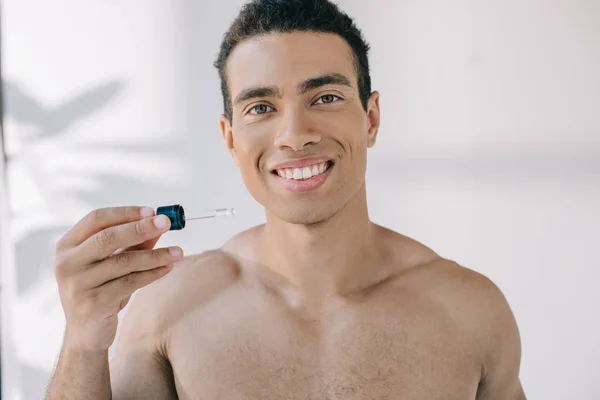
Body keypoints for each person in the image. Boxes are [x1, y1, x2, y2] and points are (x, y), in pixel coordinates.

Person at [46, 0, 526, 398]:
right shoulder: (168, 310)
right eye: (261, 108)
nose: (295, 136)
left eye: (325, 98)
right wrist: (83, 342)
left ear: (371, 118)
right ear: (231, 140)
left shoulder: (471, 311)